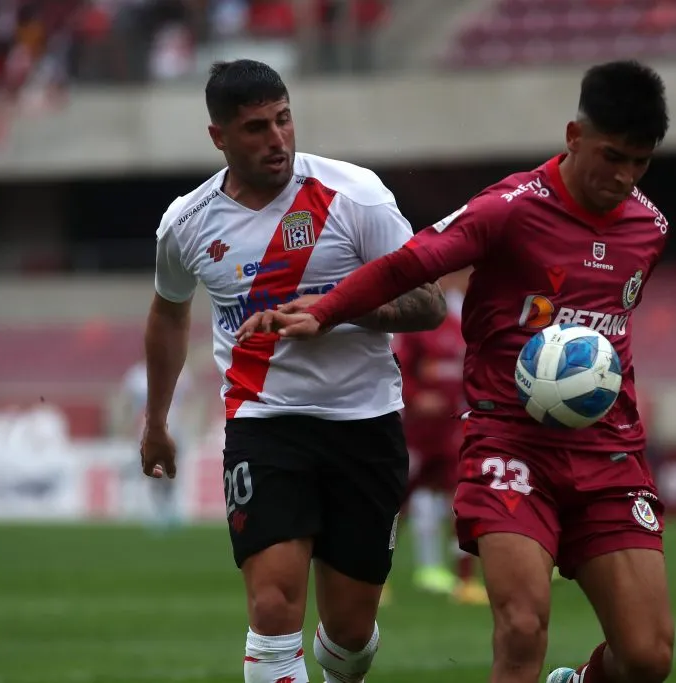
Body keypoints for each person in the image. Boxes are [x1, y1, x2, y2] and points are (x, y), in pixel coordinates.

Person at [237, 59, 674, 683]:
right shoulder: (509, 209)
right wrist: (328, 310)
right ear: (575, 137)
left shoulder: (648, 228)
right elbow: (409, 263)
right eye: (612, 157)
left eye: (640, 162)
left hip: (609, 453)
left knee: (648, 659)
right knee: (521, 629)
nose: (624, 177)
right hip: (510, 445)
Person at [139, 59, 447, 683]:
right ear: (218, 136)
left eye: (283, 120)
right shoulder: (187, 223)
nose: (277, 139)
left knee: (350, 634)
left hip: (365, 421)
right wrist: (156, 420)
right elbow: (169, 317)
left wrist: (336, 309)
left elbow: (429, 304)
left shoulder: (355, 195)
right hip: (264, 421)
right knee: (273, 607)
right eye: (255, 128)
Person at [393, 267, 488, 605]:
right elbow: (398, 367)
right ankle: (375, 580)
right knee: (395, 504)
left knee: (461, 502)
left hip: (452, 429)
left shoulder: (469, 322)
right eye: (459, 276)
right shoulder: (421, 319)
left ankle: (466, 579)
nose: (463, 283)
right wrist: (415, 396)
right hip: (416, 432)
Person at [121, 359, 194, 530]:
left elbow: (189, 401)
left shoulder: (181, 372)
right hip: (147, 428)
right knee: (154, 469)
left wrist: (188, 424)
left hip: (174, 426)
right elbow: (128, 403)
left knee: (172, 469)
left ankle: (172, 507)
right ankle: (158, 510)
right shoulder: (136, 375)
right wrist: (129, 426)